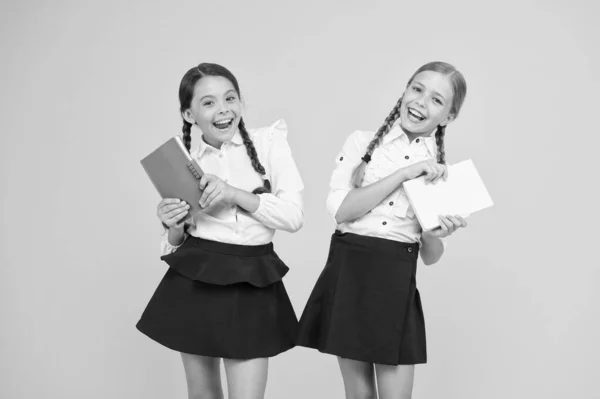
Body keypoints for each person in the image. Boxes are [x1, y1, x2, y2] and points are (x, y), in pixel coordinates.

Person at [297, 61, 468, 399]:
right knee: (358, 396)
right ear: (405, 90)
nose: (420, 101)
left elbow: (430, 258)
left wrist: (434, 235)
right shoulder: (361, 143)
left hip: (395, 277)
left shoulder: (440, 173)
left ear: (447, 117)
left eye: (436, 100)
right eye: (417, 89)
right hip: (349, 270)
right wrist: (404, 174)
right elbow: (342, 210)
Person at [136, 63, 304, 399]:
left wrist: (233, 193)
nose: (224, 109)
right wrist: (173, 226)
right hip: (196, 281)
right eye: (208, 102)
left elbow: (293, 217)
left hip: (252, 279)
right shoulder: (184, 163)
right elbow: (173, 247)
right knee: (203, 396)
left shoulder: (269, 143)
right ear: (189, 114)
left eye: (230, 98)